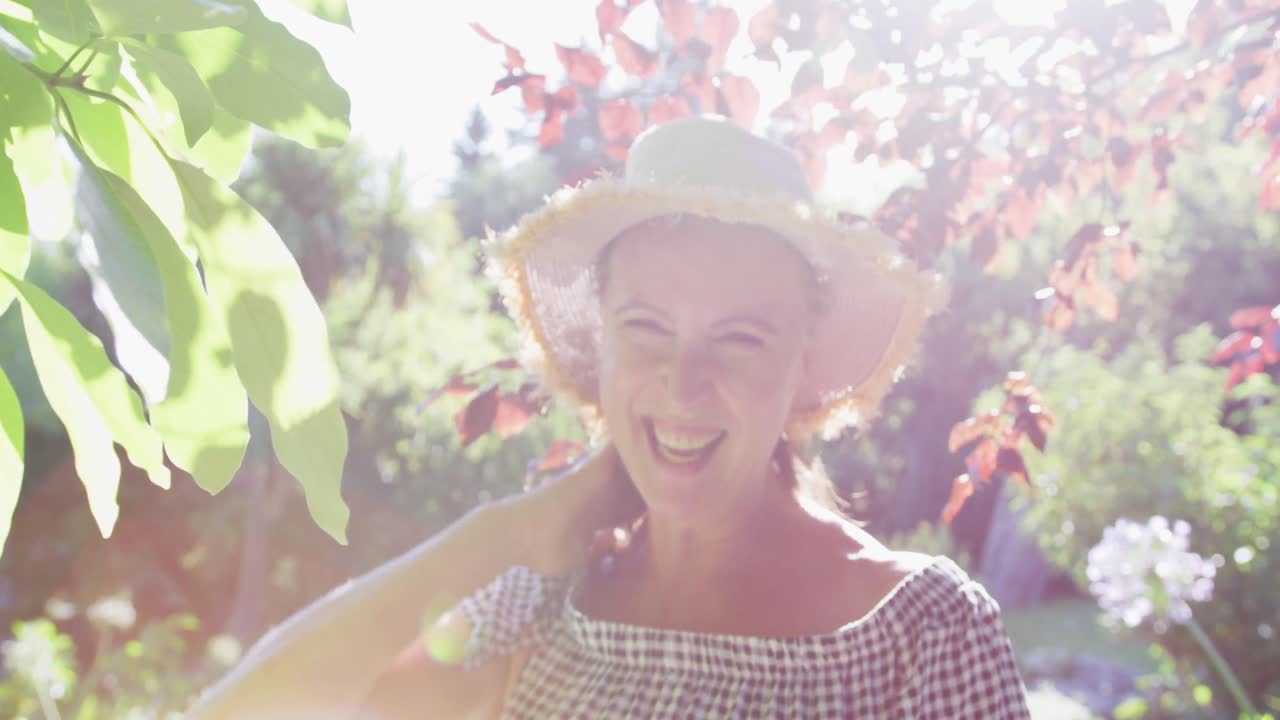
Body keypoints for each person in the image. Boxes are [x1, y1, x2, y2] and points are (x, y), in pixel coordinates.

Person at [186, 116, 1031, 719]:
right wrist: (503, 536)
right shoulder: (535, 607)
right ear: (603, 344)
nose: (681, 382)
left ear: (802, 366)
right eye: (646, 328)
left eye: (738, 339)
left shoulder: (922, 635)